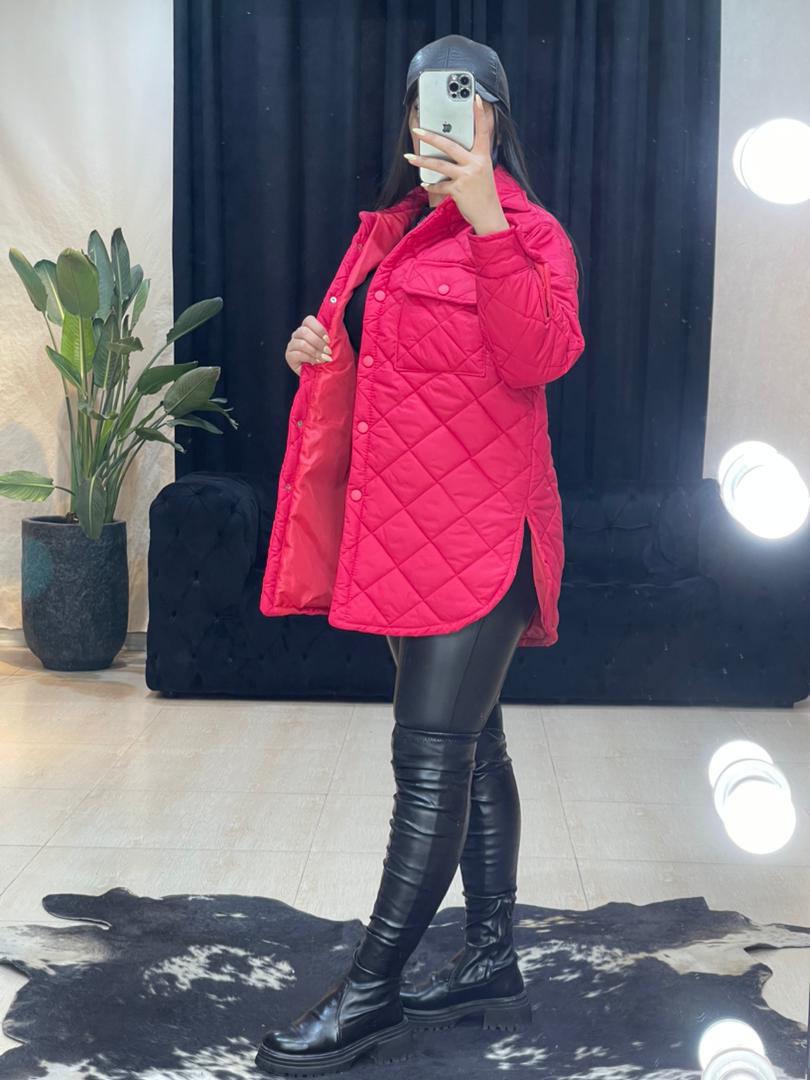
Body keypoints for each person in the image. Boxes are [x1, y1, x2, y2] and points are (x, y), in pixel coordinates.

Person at [256, 33, 586, 1077]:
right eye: (425, 104)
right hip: (401, 533)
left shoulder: (533, 234)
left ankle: (368, 993)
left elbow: (539, 356)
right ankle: (490, 955)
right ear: (407, 120)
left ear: (495, 118)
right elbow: (395, 384)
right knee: (476, 749)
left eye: (464, 100)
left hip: (484, 534)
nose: (439, 120)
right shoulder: (389, 236)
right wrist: (320, 352)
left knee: (431, 763)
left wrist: (487, 217)